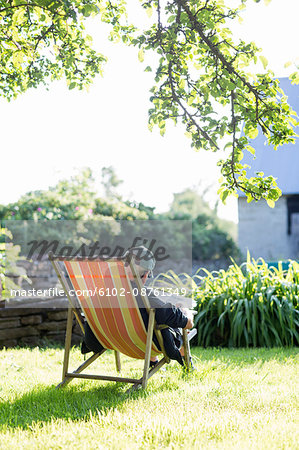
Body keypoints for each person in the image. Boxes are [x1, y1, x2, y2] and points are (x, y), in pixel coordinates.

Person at [82, 246, 194, 368]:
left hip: (112, 341)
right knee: (168, 325)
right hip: (141, 344)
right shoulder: (145, 296)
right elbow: (183, 322)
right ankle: (188, 367)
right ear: (145, 275)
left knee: (149, 319)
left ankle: (153, 363)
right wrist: (186, 313)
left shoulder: (99, 296)